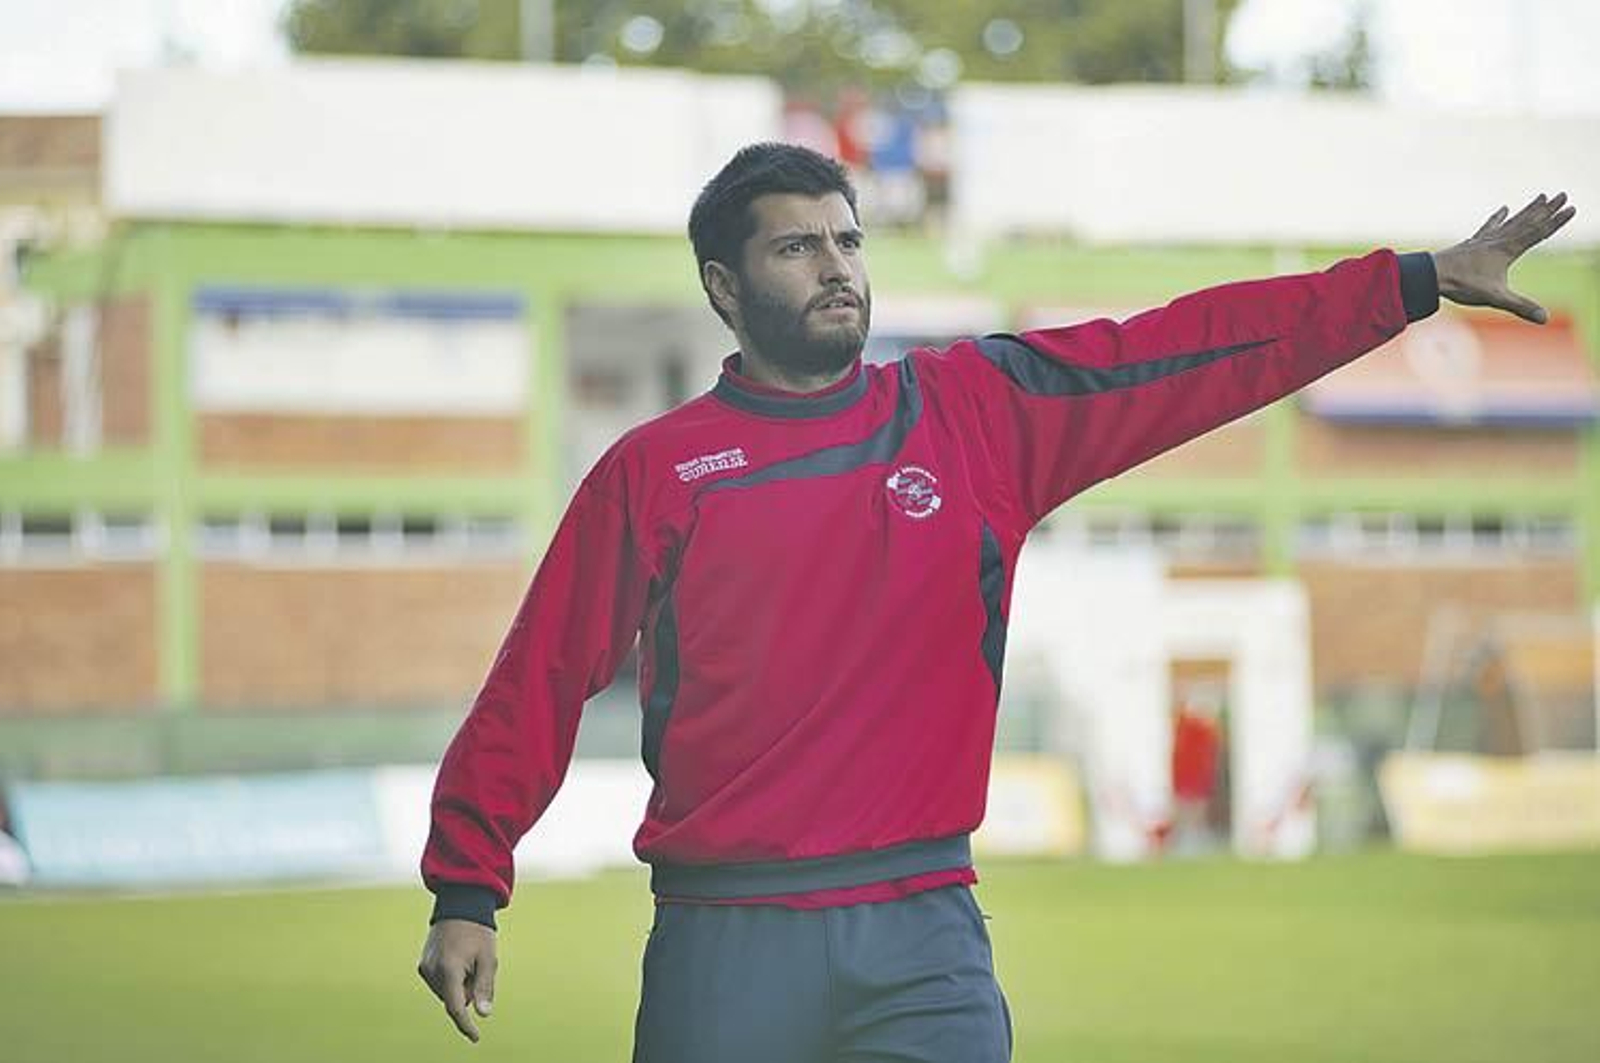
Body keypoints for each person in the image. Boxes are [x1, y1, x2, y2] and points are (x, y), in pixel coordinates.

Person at [416, 142, 1574, 1061]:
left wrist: (1409, 285)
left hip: (924, 934)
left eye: (848, 240)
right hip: (725, 940)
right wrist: (469, 883)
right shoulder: (655, 470)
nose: (835, 267)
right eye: (795, 249)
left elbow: (1184, 350)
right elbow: (543, 675)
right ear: (723, 286)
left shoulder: (973, 414)